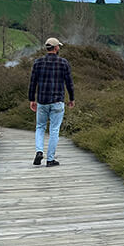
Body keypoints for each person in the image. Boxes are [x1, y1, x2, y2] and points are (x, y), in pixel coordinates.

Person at [28, 37, 75, 167]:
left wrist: (32, 99)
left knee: (40, 127)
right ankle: (50, 159)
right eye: (58, 46)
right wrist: (71, 98)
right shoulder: (63, 63)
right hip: (57, 101)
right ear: (55, 48)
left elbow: (32, 83)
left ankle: (39, 151)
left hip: (42, 101)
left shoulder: (38, 63)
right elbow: (69, 83)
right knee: (54, 130)